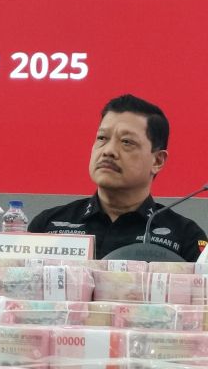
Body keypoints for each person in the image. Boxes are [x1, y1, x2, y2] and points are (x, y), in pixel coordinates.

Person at [29, 94, 207, 260]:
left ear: (157, 160)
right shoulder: (48, 224)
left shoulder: (186, 237)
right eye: (102, 138)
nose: (108, 151)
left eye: (126, 142)